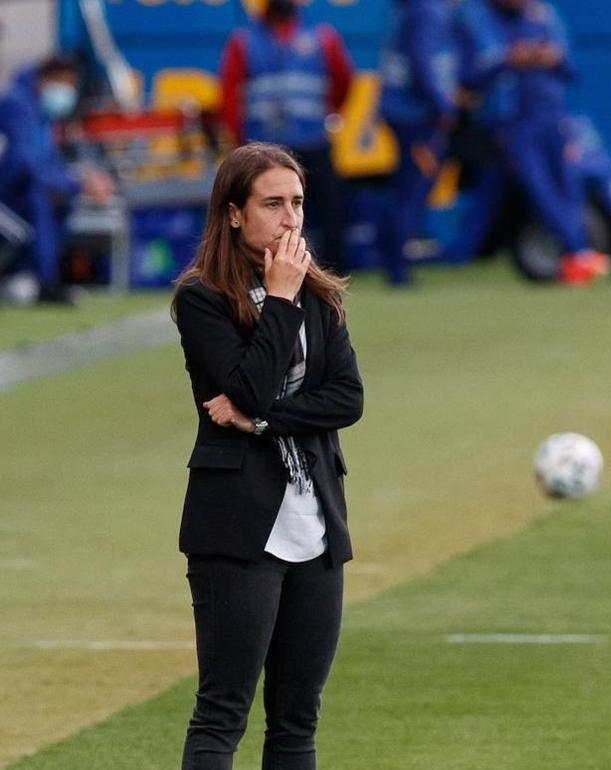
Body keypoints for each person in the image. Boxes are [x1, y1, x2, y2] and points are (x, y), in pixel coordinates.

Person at [171, 142, 364, 769]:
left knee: (297, 721)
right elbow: (248, 382)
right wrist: (277, 300)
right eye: (273, 204)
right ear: (233, 213)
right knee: (223, 710)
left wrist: (259, 419)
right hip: (237, 526)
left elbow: (346, 400)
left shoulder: (321, 295)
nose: (291, 219)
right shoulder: (202, 298)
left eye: (298, 204)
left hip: (315, 524)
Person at [477, 0, 611, 284]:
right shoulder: (478, 16)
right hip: (515, 123)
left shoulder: (544, 14)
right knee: (540, 189)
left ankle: (579, 253)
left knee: (568, 187)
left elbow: (572, 67)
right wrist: (509, 59)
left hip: (553, 117)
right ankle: (577, 253)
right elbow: (471, 72)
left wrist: (552, 57)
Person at [218, 0, 354, 275]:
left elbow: (344, 80)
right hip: (264, 149)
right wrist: (239, 141)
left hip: (312, 141)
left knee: (330, 211)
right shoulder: (243, 42)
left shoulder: (322, 38)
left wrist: (327, 114)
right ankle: (250, 270)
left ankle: (333, 275)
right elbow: (229, 95)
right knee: (261, 213)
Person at [0, 55, 113, 304]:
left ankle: (44, 278)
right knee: (41, 196)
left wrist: (79, 180)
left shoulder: (40, 111)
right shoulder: (17, 105)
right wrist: (78, 183)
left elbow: (48, 160)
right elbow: (24, 162)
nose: (68, 92)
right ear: (47, 79)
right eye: (66, 84)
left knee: (57, 198)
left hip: (21, 190)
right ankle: (42, 281)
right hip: (8, 195)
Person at [377, 0, 459, 286]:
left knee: (407, 188)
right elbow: (421, 62)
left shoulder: (413, 8)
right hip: (415, 116)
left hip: (405, 112)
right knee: (412, 191)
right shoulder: (428, 9)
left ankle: (394, 262)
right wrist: (442, 106)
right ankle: (397, 269)